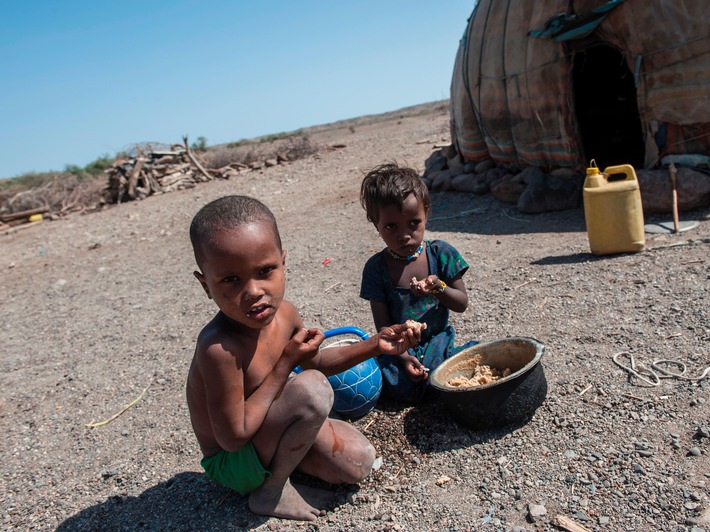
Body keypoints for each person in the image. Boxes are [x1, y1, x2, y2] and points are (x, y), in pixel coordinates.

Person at [185, 195, 420, 522]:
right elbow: (232, 436)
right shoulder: (219, 349)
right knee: (311, 391)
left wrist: (376, 345)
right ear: (205, 285)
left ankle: (293, 448)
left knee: (357, 462)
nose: (253, 291)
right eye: (230, 279)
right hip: (234, 463)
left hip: (269, 430)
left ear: (283, 262)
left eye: (265, 270)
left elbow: (316, 364)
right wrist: (284, 366)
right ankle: (271, 491)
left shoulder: (286, 314)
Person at [359, 162, 476, 403]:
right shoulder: (376, 269)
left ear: (426, 213)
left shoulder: (441, 254)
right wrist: (403, 356)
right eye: (391, 226)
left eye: (414, 223)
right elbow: (383, 327)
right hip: (399, 346)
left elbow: (461, 303)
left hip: (438, 340)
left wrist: (438, 287)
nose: (404, 235)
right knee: (387, 381)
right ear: (375, 225)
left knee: (454, 364)